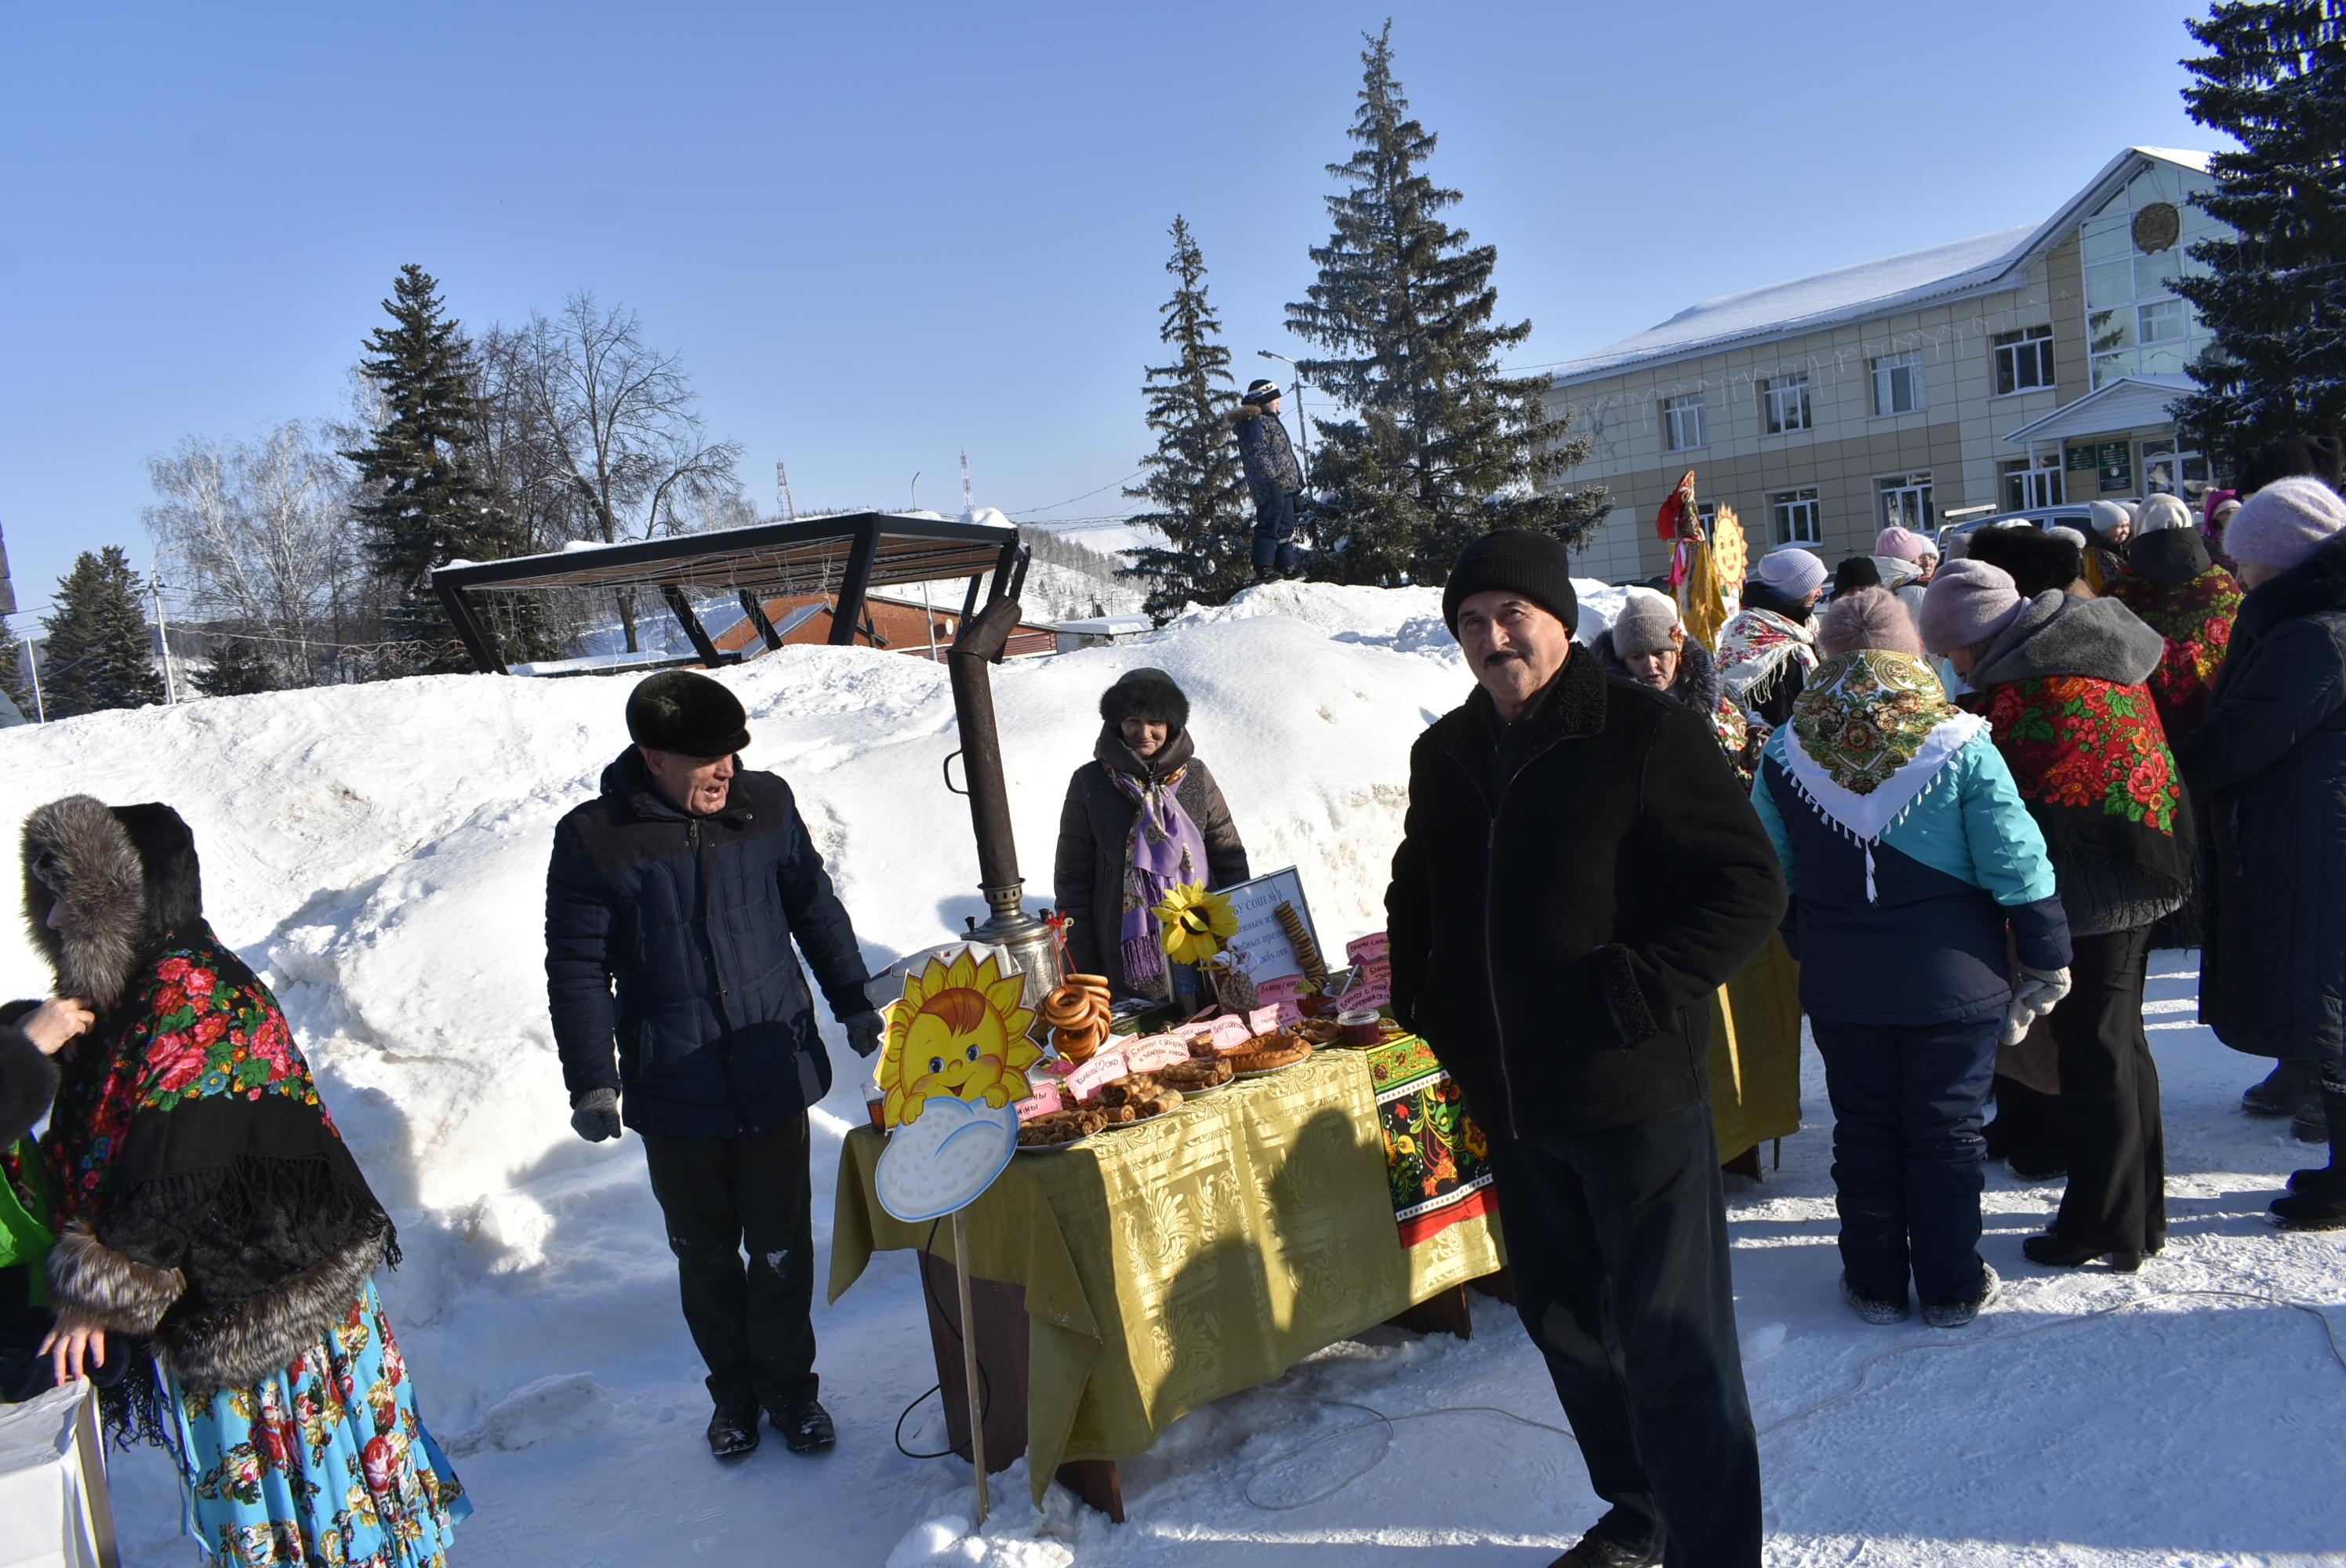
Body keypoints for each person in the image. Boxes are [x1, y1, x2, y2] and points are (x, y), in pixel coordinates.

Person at [1386, 529, 1785, 1568]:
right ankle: (1643, 1510)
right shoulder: (1448, 754)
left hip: (1634, 1095)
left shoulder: (1644, 733)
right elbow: (1418, 887)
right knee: (1566, 1326)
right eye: (1471, 623)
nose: (1493, 637)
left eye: (1512, 614)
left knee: (1674, 1345)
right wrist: (1430, 994)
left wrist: (1642, 986)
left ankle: (1713, 1550)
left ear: (1560, 619)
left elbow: (1747, 886)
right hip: (1516, 1110)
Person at [25, 796, 469, 1563]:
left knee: (314, 1491)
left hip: (269, 1303)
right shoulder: (148, 991)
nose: (57, 917)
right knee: (307, 1495)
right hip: (246, 1288)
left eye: (73, 896)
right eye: (51, 895)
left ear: (126, 900)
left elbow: (175, 1165)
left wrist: (96, 1290)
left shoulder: (188, 995)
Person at [547, 670, 884, 1460]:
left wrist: (855, 999)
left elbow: (813, 905)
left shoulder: (765, 805)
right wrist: (594, 1076)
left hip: (771, 1059)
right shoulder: (596, 837)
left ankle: (792, 1391)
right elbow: (577, 966)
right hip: (676, 1081)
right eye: (707, 756)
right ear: (653, 756)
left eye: (733, 749)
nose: (727, 767)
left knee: (779, 1246)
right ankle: (732, 1395)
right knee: (702, 1253)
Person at [1752, 588, 2068, 1329]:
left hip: (1840, 982)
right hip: (1955, 983)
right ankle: (1954, 1283)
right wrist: (2048, 951)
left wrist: (1805, 946)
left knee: (1863, 1128)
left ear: (1826, 652)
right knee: (1946, 1131)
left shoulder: (1786, 749)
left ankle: (1875, 1281)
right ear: (1913, 651)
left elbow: (1772, 873)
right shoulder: (1959, 741)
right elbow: (2016, 860)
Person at [1923, 562, 2188, 1272]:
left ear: (1974, 641)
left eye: (1949, 651)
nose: (1949, 665)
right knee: (2119, 1044)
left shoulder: (2032, 689)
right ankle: (2138, 1213)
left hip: (2098, 876)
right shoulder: (2077, 643)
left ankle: (2101, 1224)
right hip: (2140, 853)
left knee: (2094, 1051)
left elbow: (2004, 807)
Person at [2175, 477, 2346, 1228]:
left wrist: (2150, 771)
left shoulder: (2316, 635)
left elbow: (2239, 737)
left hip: (2318, 845)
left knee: (2331, 1011)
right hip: (2308, 831)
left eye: (2242, 559)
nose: (2233, 572)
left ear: (2284, 560)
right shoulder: (2304, 621)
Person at [1052, 667, 1250, 1001]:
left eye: (1155, 721)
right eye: (1132, 720)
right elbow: (1074, 883)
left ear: (1171, 724)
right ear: (1117, 724)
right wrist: (1084, 976)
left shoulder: (1197, 777)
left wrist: (1243, 939)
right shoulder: (1090, 783)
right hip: (1124, 958)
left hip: (1208, 944)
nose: (1144, 732)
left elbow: (1229, 859)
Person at [1592, 588, 1761, 784]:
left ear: (1678, 650)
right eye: (1637, 656)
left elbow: (1744, 721)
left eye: (1660, 653)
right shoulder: (1613, 715)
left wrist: (1756, 734)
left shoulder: (1710, 692)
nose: (1651, 664)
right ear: (1622, 661)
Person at [1717, 546, 1826, 728]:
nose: (1820, 593)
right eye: (1815, 586)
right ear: (1796, 589)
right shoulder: (1748, 629)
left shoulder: (1808, 625)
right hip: (1770, 738)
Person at [1232, 379, 1305, 583]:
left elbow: (1286, 456)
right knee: (1270, 524)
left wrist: (1296, 488)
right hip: (1269, 484)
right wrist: (1271, 481)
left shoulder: (1272, 420)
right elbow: (1258, 454)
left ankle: (1285, 565)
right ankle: (1264, 566)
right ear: (1262, 400)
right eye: (1274, 398)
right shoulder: (1254, 422)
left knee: (1286, 526)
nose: (1278, 401)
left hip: (1286, 485)